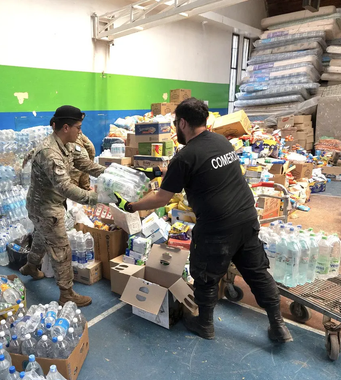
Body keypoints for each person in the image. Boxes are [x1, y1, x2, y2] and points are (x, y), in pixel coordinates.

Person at [114, 98, 292, 343]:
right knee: (257, 272)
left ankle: (204, 324)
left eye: (177, 123)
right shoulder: (220, 142)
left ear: (183, 123)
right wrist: (161, 172)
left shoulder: (185, 157)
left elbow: (162, 199)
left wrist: (132, 206)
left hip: (217, 227)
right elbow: (204, 169)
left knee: (206, 275)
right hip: (246, 218)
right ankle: (278, 325)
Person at [19, 105, 106, 307]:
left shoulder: (65, 144)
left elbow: (84, 163)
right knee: (62, 250)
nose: (80, 132)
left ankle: (31, 267)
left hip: (46, 205)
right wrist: (97, 198)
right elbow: (65, 187)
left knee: (40, 238)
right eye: (78, 127)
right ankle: (66, 293)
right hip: (45, 208)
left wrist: (112, 175)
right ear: (66, 127)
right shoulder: (49, 152)